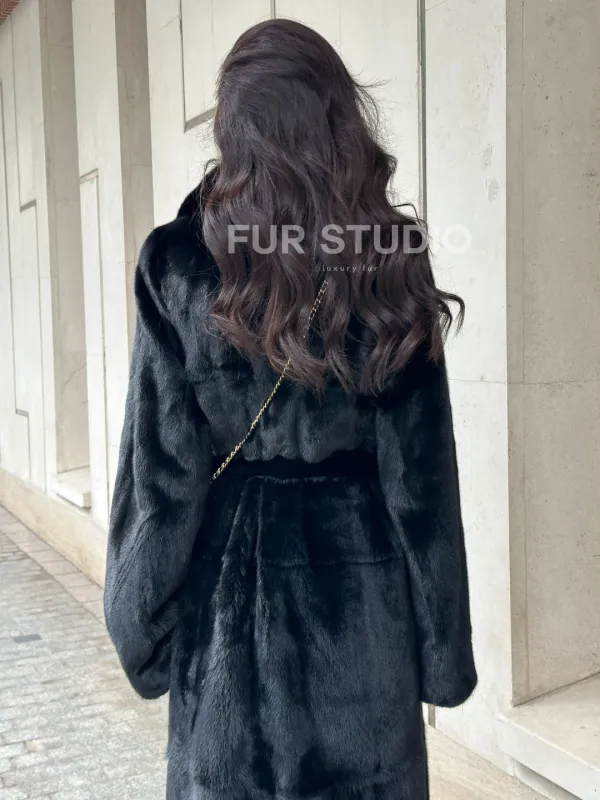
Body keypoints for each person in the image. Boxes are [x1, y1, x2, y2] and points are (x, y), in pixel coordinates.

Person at [104, 17, 477, 800]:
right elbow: (422, 485)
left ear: (232, 131)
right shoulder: (387, 261)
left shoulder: (176, 265)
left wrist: (140, 627)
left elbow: (162, 478)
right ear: (339, 121)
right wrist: (443, 657)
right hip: (364, 619)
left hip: (228, 620)